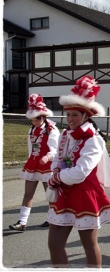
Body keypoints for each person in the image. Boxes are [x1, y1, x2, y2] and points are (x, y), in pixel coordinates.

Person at [47, 76, 110, 268]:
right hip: (64, 193)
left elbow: (81, 172)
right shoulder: (65, 135)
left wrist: (56, 177)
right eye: (68, 115)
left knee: (88, 244)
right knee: (54, 244)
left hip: (85, 195)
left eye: (75, 115)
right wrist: (54, 173)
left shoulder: (93, 140)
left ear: (86, 116)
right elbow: (58, 158)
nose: (70, 119)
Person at [9, 94, 60, 232]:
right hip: (33, 164)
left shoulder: (51, 130)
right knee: (28, 193)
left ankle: (53, 218)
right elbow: (30, 149)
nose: (35, 122)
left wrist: (47, 157)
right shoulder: (31, 130)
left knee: (49, 193)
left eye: (37, 119)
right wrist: (30, 160)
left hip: (47, 166)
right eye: (32, 120)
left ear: (43, 116)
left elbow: (55, 150)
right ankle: (22, 222)